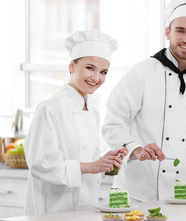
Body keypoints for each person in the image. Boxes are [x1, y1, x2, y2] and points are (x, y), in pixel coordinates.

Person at [101, 0, 186, 202]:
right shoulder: (142, 73)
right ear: (167, 32)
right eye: (180, 30)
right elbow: (113, 123)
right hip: (135, 194)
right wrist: (136, 149)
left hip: (185, 193)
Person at [24, 30, 128, 215]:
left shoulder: (93, 112)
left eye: (103, 72)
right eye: (90, 68)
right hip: (52, 212)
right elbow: (41, 164)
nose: (96, 78)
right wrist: (90, 166)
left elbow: (85, 159)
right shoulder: (50, 108)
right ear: (72, 66)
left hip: (86, 210)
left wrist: (105, 163)